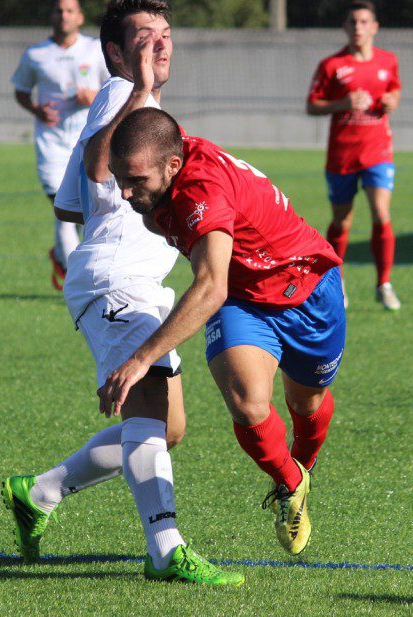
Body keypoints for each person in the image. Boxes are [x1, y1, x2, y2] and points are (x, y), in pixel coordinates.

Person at [3, 0, 243, 587]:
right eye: (143, 37)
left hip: (135, 281)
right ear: (114, 51)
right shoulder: (121, 94)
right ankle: (165, 549)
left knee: (168, 428)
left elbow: (70, 204)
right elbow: (95, 166)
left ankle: (39, 493)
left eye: (165, 34)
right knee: (149, 413)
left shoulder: (130, 102)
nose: (159, 44)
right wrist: (136, 88)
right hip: (117, 280)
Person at [101, 108, 346, 556]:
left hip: (308, 286)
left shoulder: (201, 190)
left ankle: (302, 469)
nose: (125, 192)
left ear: (173, 166)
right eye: (119, 178)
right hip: (241, 297)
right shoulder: (165, 159)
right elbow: (218, 287)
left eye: (135, 180)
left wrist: (139, 360)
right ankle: (291, 482)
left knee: (306, 404)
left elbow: (209, 287)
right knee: (248, 403)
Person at [306, 0, 402, 311]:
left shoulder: (388, 61)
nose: (358, 27)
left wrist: (392, 100)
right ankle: (338, 281)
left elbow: (395, 91)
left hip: (378, 152)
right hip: (343, 155)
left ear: (375, 27)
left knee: (381, 213)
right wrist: (342, 104)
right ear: (345, 27)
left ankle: (384, 284)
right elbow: (311, 105)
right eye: (353, 21)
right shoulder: (331, 65)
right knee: (342, 220)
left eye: (364, 22)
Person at [11, 0, 110, 290]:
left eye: (69, 11)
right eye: (59, 10)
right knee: (62, 207)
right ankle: (75, 278)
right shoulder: (36, 54)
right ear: (52, 16)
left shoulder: (95, 50)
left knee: (84, 209)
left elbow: (115, 87)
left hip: (89, 139)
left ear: (79, 17)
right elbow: (21, 90)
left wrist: (93, 96)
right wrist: (36, 109)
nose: (63, 15)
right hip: (51, 143)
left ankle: (64, 259)